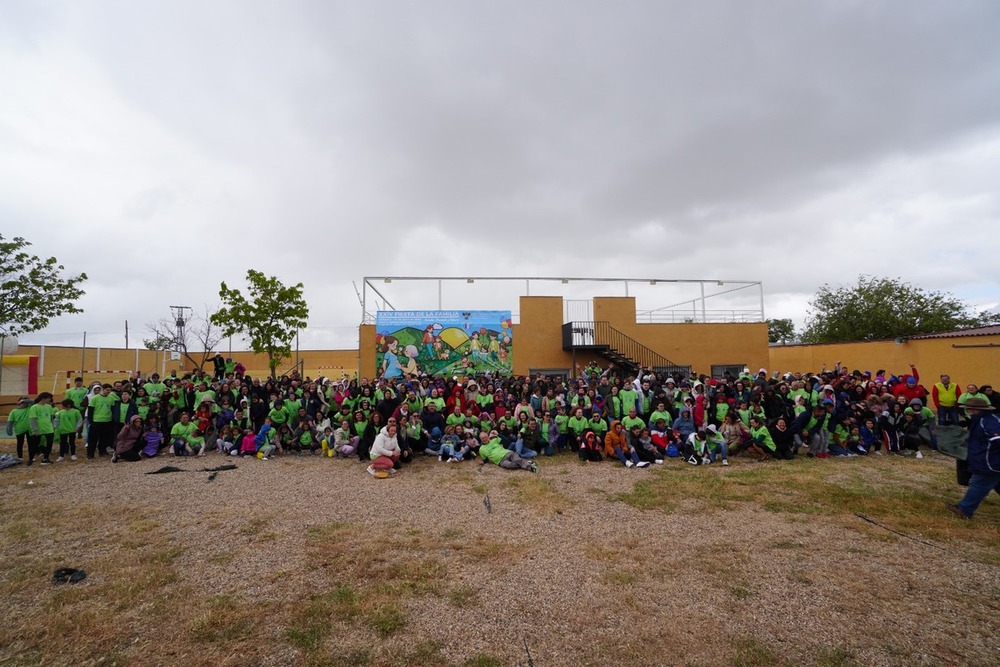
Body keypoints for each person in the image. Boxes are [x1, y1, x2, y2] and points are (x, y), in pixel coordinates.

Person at [948, 397, 1000, 519]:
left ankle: (964, 510)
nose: (969, 412)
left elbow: (997, 439)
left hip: (990, 462)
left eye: (970, 410)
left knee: (978, 484)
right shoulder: (983, 420)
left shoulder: (988, 422)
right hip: (989, 460)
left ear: (977, 409)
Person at [26, 392, 56, 466]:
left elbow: (51, 417)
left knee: (49, 443)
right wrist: (35, 430)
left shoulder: (49, 407)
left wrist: (52, 426)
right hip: (39, 429)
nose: (50, 399)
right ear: (43, 398)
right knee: (35, 444)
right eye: (48, 398)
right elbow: (33, 419)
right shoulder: (34, 407)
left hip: (49, 428)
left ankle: (45, 458)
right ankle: (30, 459)